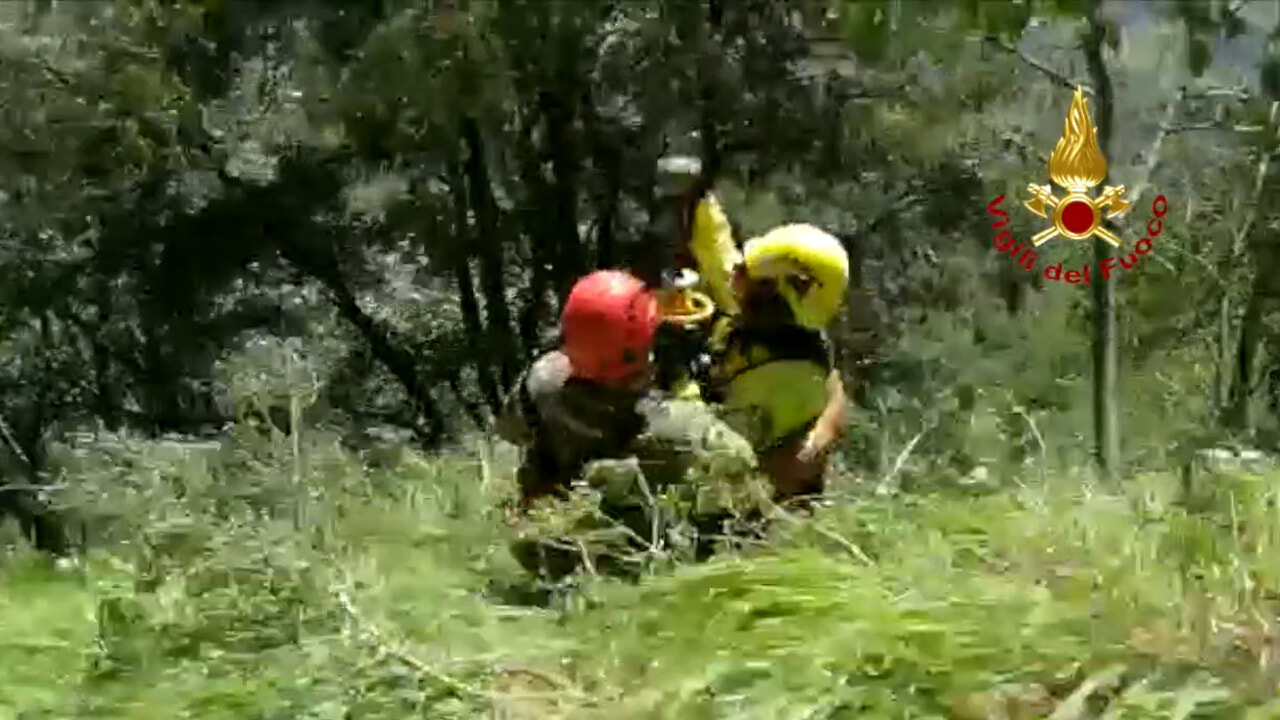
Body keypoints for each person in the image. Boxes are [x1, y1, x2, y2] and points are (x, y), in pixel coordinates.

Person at [495, 269, 758, 580]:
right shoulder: (681, 427)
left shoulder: (539, 381)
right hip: (641, 572)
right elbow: (747, 480)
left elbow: (510, 431)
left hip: (553, 556)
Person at [671, 176, 851, 505]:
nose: (736, 274)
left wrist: (674, 383)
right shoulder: (766, 317)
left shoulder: (785, 380)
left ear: (773, 295)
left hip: (742, 518)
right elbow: (719, 255)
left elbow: (714, 449)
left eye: (747, 274)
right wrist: (699, 200)